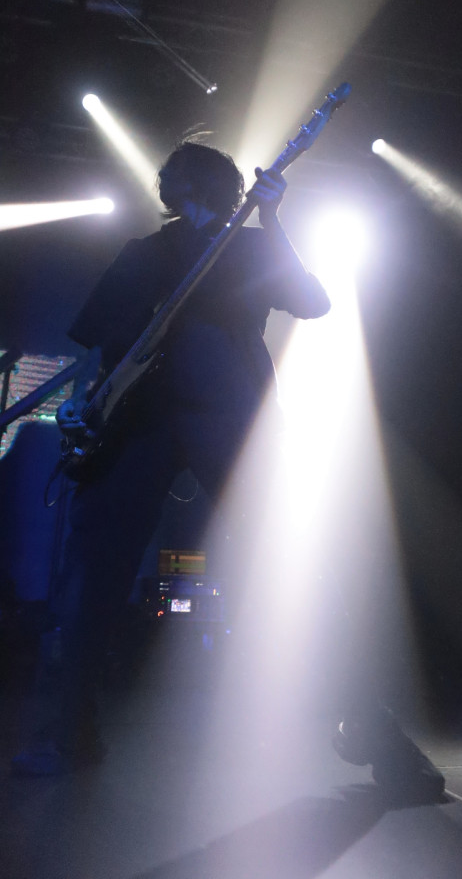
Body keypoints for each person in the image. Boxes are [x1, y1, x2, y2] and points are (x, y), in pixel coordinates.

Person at [12, 142, 331, 775]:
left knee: (290, 566)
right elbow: (104, 348)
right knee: (89, 577)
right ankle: (65, 735)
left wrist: (273, 219)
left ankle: (372, 730)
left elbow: (312, 301)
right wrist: (79, 405)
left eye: (173, 174)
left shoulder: (248, 246)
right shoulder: (146, 252)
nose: (163, 182)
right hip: (138, 425)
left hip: (229, 419)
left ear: (197, 183)